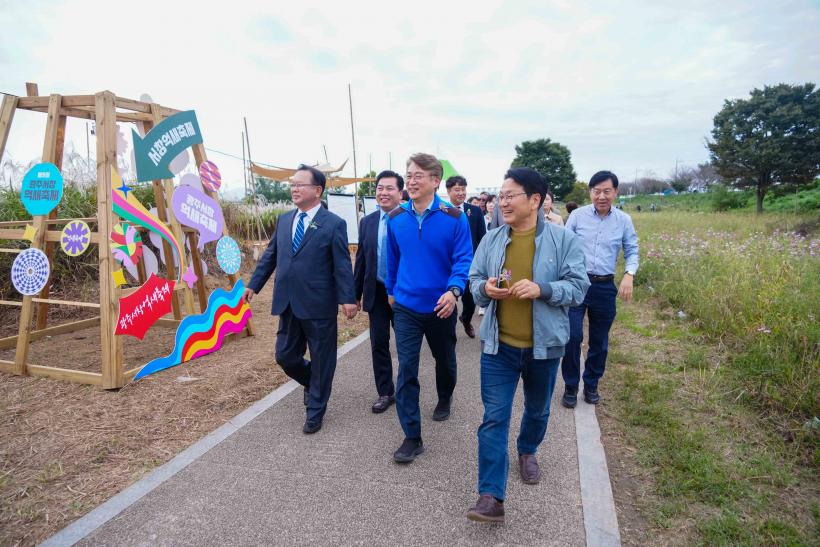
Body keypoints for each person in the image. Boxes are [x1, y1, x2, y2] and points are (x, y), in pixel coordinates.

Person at [466, 167, 589, 523]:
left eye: (510, 196)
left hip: (543, 348)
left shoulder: (563, 240)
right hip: (498, 348)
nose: (502, 202)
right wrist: (485, 289)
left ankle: (527, 450)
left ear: (535, 200)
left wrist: (543, 289)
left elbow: (578, 287)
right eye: (500, 196)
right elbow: (475, 279)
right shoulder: (492, 239)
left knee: (537, 411)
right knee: (494, 418)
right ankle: (491, 497)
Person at [245, 165, 358, 435]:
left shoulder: (333, 224)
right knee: (285, 356)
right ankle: (312, 382)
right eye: (292, 184)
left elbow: (342, 264)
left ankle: (315, 410)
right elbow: (271, 255)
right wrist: (253, 285)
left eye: (300, 184)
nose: (294, 189)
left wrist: (348, 298)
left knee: (322, 358)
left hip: (319, 303)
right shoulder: (285, 220)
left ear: (317, 190)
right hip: (288, 302)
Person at [385, 153, 473, 463]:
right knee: (406, 368)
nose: (411, 181)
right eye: (408, 175)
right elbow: (392, 259)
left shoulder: (454, 217)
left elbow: (463, 259)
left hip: (441, 306)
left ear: (435, 181)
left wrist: (453, 291)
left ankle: (445, 396)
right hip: (406, 307)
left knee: (445, 360)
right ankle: (412, 436)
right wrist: (391, 292)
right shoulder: (395, 217)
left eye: (418, 176)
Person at [561, 170, 639, 408]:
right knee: (572, 337)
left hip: (604, 286)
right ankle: (570, 386)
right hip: (577, 283)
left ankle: (592, 384)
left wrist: (629, 274)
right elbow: (563, 246)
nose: (601, 196)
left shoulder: (623, 220)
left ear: (615, 192)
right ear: (590, 193)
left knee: (599, 340)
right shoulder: (577, 216)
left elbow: (632, 250)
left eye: (607, 191)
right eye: (597, 191)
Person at [354, 170, 405, 413]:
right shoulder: (368, 222)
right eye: (380, 188)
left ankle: (407, 388)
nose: (383, 193)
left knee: (406, 344)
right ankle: (386, 392)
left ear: (400, 193)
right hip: (376, 291)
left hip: (403, 293)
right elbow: (361, 260)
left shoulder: (409, 219)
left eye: (389, 188)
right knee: (378, 343)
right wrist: (354, 295)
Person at [445, 175, 487, 339]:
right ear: (449, 191)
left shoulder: (474, 211)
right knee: (447, 297)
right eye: (457, 190)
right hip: (447, 263)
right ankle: (446, 331)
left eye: (463, 189)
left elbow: (482, 238)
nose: (461, 193)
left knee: (470, 299)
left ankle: (466, 318)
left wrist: (482, 260)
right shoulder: (441, 211)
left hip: (470, 263)